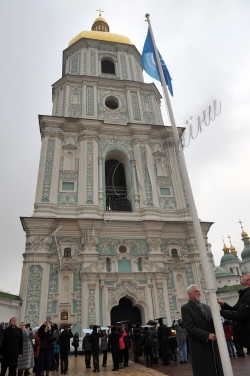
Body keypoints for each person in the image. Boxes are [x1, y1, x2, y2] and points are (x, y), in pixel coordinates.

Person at [181, 284, 224, 376]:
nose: (198, 293)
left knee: (216, 368)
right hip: (199, 346)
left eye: (199, 291)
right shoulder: (186, 308)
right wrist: (207, 335)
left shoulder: (206, 307)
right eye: (196, 292)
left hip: (212, 345)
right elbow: (189, 327)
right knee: (204, 370)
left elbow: (212, 322)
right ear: (189, 294)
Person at [217, 273, 250, 353]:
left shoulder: (248, 295)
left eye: (245, 276)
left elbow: (240, 315)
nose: (242, 275)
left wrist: (221, 312)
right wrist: (223, 304)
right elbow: (234, 309)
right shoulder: (244, 294)